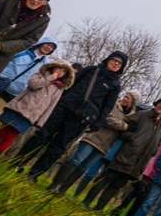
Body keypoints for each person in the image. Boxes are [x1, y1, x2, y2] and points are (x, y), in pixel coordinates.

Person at [16, 51, 128, 180]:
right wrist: (59, 100)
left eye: (120, 63)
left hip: (80, 119)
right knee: (41, 136)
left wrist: (97, 122)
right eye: (114, 60)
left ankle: (34, 174)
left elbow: (107, 106)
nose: (116, 64)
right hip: (64, 108)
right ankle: (18, 161)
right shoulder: (91, 70)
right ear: (108, 59)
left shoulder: (115, 85)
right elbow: (70, 84)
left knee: (58, 147)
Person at [81, 95, 161, 211]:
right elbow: (125, 126)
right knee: (106, 179)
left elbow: (160, 143)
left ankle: (98, 208)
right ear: (156, 104)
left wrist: (153, 151)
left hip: (138, 162)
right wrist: (132, 138)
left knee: (116, 185)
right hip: (126, 154)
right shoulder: (142, 115)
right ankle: (86, 202)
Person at [47, 89, 142, 195]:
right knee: (76, 160)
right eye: (125, 96)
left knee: (84, 167)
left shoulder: (133, 117)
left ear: (133, 102)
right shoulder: (113, 105)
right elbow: (108, 120)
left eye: (128, 98)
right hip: (93, 137)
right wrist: (125, 126)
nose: (124, 99)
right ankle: (54, 184)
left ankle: (62, 190)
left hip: (105, 146)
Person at [0, 61, 75, 154]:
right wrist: (50, 78)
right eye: (59, 68)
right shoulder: (41, 75)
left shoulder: (59, 88)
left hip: (31, 116)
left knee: (11, 135)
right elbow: (33, 85)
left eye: (64, 71)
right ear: (53, 67)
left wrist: (41, 121)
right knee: (3, 130)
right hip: (19, 108)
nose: (60, 72)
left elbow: (51, 106)